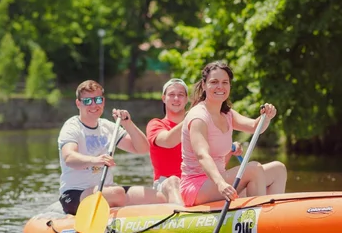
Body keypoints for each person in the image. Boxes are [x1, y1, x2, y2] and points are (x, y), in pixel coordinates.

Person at [58, 80, 181, 215]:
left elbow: (142, 148)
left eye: (98, 100)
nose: (94, 105)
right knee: (116, 193)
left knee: (159, 198)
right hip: (75, 193)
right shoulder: (72, 126)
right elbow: (69, 157)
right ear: (78, 103)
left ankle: (180, 220)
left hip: (107, 190)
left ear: (103, 102)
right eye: (87, 101)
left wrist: (127, 123)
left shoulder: (108, 126)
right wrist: (96, 160)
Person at [180, 61, 288, 207]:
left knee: (278, 169)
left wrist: (266, 117)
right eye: (214, 82)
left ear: (230, 86)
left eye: (225, 82)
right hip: (198, 187)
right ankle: (259, 217)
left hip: (221, 182)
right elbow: (202, 155)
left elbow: (256, 127)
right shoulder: (198, 117)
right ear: (204, 85)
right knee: (253, 169)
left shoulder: (227, 114)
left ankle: (272, 216)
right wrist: (220, 184)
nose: (220, 86)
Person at [145, 78, 242, 205]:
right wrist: (194, 117)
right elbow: (168, 141)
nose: (176, 99)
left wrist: (229, 148)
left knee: (234, 178)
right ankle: (180, 219)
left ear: (186, 99)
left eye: (180, 95)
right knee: (173, 181)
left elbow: (215, 163)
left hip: (196, 184)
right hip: (166, 185)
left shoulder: (201, 126)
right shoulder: (155, 124)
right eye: (171, 95)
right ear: (164, 98)